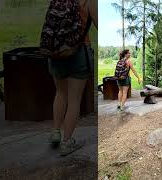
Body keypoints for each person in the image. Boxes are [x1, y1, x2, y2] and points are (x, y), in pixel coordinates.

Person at [47, 0, 97, 156]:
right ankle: (67, 143)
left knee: (60, 93)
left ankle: (55, 133)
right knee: (74, 99)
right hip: (78, 51)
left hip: (56, 50)